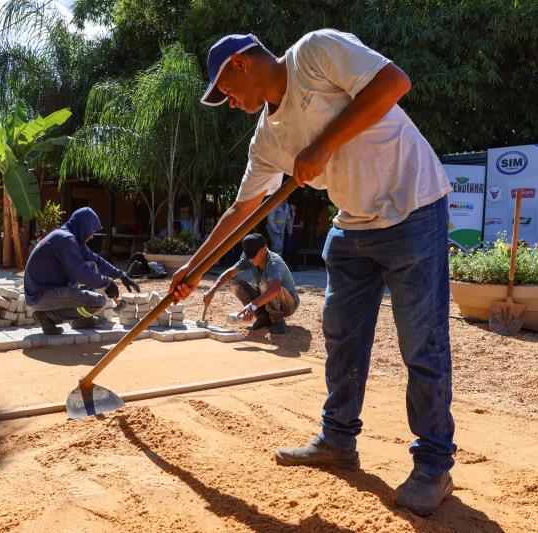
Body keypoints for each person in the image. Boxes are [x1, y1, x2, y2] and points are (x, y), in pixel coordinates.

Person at [169, 30, 456, 515]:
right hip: (353, 226)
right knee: (342, 335)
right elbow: (243, 210)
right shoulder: (267, 139)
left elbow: (392, 83)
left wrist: (323, 145)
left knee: (421, 343)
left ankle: (433, 464)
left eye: (228, 90)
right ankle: (338, 440)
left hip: (414, 209)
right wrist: (194, 270)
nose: (232, 103)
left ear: (241, 63)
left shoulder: (315, 52)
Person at [25, 207, 140, 334]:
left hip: (47, 288)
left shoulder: (71, 238)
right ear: (84, 226)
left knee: (91, 266)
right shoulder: (66, 240)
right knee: (98, 301)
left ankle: (82, 320)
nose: (92, 236)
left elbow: (96, 260)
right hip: (40, 295)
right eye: (92, 231)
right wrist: (108, 283)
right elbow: (82, 273)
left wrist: (121, 275)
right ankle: (47, 316)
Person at [203, 233, 298, 334]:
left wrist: (252, 305)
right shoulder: (249, 260)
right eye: (249, 256)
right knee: (235, 284)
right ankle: (263, 317)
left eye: (253, 256)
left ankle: (277, 321)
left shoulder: (274, 262)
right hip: (268, 300)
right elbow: (229, 273)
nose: (251, 260)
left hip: (288, 305)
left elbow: (275, 288)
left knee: (265, 284)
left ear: (264, 249)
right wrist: (212, 290)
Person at [283, 203, 303, 270]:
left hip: (297, 236)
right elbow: (288, 224)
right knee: (288, 251)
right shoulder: (287, 215)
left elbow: (301, 225)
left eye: (292, 206)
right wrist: (293, 217)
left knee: (296, 251)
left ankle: (295, 267)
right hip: (289, 236)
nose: (291, 207)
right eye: (290, 206)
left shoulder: (299, 215)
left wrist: (293, 226)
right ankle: (286, 267)